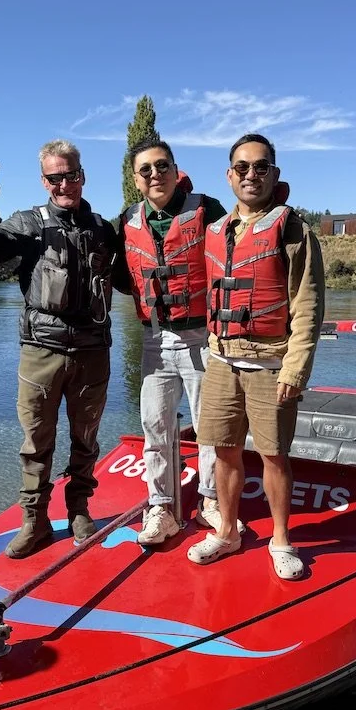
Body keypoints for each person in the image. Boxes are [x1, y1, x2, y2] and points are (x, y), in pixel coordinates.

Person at [0, 140, 125, 558]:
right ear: (44, 181)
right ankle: (34, 522)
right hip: (40, 353)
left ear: (82, 175)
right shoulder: (27, 225)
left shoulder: (105, 229)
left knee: (86, 438)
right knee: (36, 442)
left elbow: (130, 278)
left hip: (92, 353)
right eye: (55, 177)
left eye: (70, 174)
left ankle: (80, 511)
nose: (64, 183)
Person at [188, 133, 325, 580]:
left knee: (273, 455)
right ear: (230, 176)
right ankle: (227, 531)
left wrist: (296, 367)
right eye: (242, 167)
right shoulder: (214, 232)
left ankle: (281, 540)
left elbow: (307, 305)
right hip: (222, 361)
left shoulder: (294, 231)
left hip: (271, 364)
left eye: (261, 167)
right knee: (224, 452)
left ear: (274, 174)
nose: (251, 174)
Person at [119, 136, 234, 546]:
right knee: (155, 425)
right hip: (155, 338)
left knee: (209, 426)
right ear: (136, 179)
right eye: (146, 170)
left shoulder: (207, 209)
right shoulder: (127, 221)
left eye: (162, 166)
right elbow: (123, 276)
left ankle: (209, 502)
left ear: (175, 168)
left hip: (204, 336)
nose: (155, 175)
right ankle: (162, 508)